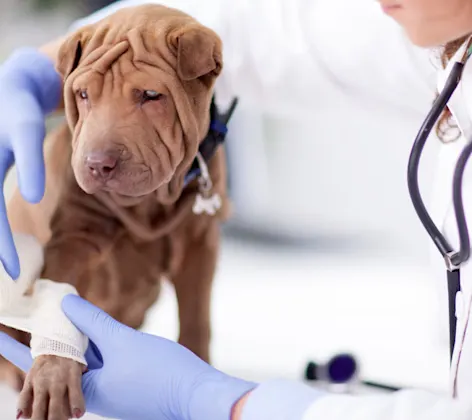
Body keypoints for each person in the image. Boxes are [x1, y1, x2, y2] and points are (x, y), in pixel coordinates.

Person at [1, 0, 472, 419]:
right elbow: (267, 31)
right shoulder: (424, 29)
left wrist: (217, 398)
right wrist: (41, 67)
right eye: (84, 94)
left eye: (148, 97)